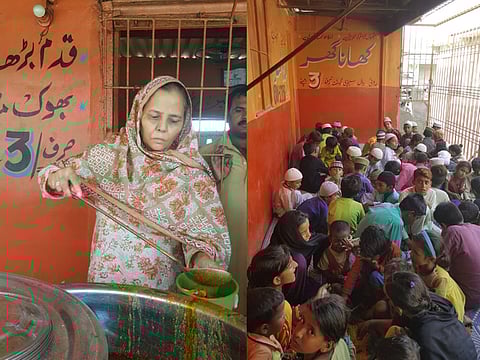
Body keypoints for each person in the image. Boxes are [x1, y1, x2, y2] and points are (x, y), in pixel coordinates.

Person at [38, 76, 229, 290]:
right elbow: (50, 174)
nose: (162, 128)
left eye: (173, 120)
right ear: (138, 115)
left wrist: (203, 260)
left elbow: (205, 241)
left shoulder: (192, 175)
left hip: (161, 292)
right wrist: (56, 178)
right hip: (105, 283)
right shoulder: (110, 156)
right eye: (154, 117)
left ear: (184, 123)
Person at [200, 84, 247, 313]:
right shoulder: (210, 154)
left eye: (250, 109)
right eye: (239, 110)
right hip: (222, 252)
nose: (245, 116)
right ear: (228, 115)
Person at [384, 271, 477, 360]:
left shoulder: (422, 337)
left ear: (399, 308)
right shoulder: (433, 300)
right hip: (470, 353)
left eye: (389, 299)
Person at [270, 211, 329, 306]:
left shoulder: (283, 237)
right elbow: (292, 295)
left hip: (302, 280)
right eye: (304, 232)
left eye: (309, 229)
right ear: (291, 235)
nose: (309, 235)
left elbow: (319, 238)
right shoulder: (294, 261)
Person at [248, 245, 298, 349]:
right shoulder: (284, 308)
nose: (296, 265)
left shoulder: (253, 298)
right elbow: (285, 343)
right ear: (277, 280)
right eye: (290, 266)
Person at [408, 231, 466, 322]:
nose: (410, 254)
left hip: (446, 320)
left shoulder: (441, 281)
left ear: (431, 259)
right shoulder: (420, 267)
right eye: (411, 249)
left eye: (416, 253)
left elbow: (437, 312)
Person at [434, 202, 480, 311]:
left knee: (435, 274)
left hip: (470, 297)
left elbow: (439, 263)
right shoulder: (476, 228)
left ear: (443, 225)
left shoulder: (452, 231)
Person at [343, 225, 401, 309]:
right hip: (370, 282)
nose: (368, 257)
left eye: (371, 256)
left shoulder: (395, 252)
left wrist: (377, 267)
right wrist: (344, 295)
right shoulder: (365, 249)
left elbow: (395, 278)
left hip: (388, 285)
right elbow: (354, 272)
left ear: (380, 253)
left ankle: (375, 302)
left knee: (375, 276)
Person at [289, 295, 355, 360]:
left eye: (311, 332)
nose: (298, 333)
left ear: (327, 346)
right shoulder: (335, 336)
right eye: (302, 320)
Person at [247, 287, 285, 360]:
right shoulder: (261, 352)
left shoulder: (267, 334)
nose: (285, 316)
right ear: (265, 328)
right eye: (281, 316)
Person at [317, 221, 355, 285]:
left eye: (343, 241)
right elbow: (323, 270)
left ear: (349, 238)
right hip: (333, 280)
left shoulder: (350, 250)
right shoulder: (327, 253)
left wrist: (350, 252)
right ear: (330, 239)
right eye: (336, 241)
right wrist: (335, 277)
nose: (340, 244)